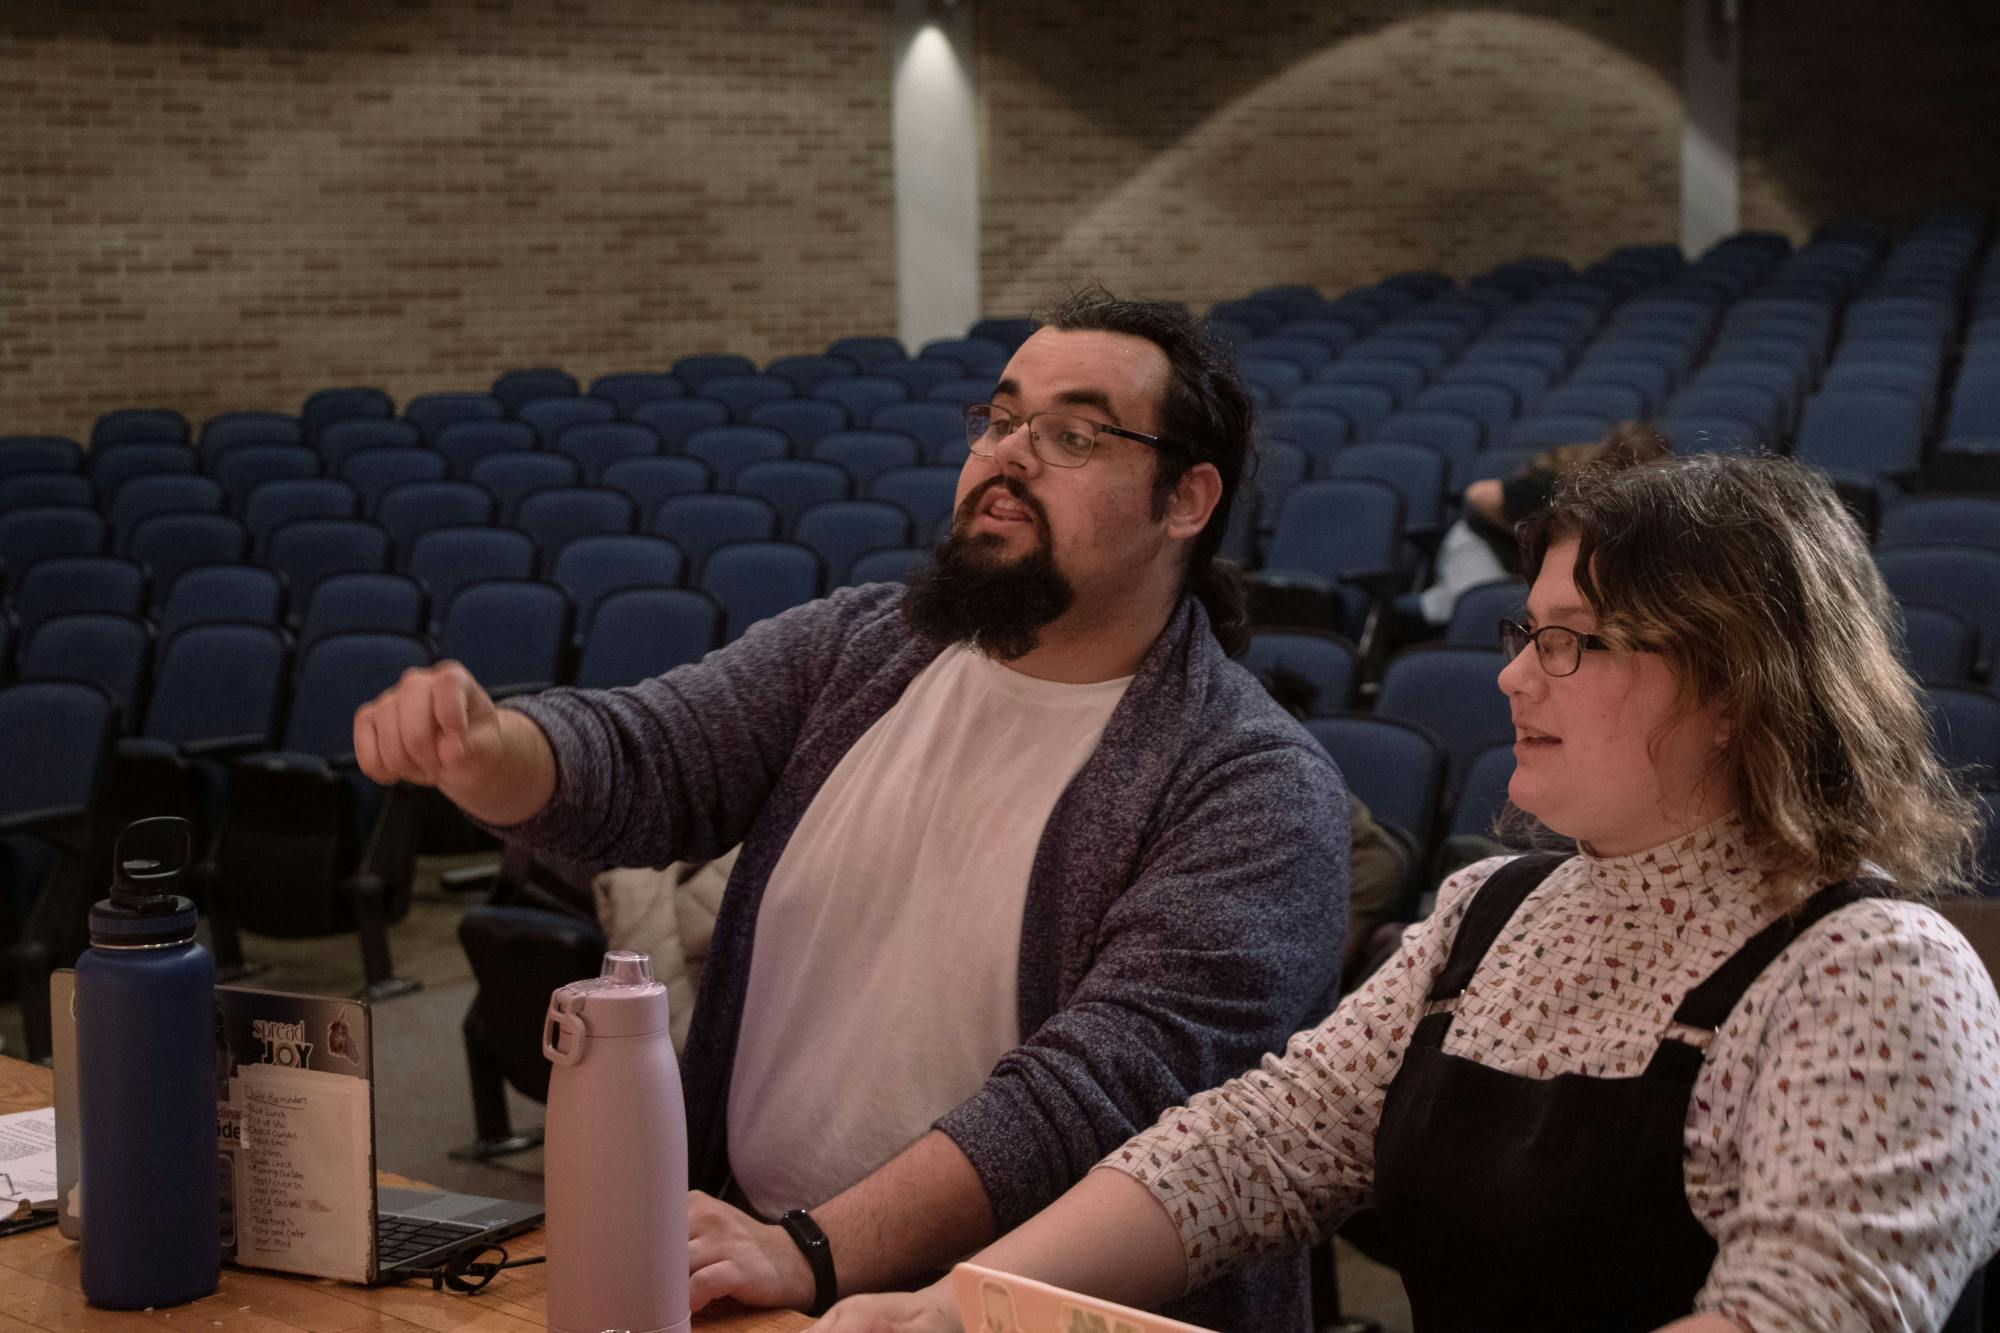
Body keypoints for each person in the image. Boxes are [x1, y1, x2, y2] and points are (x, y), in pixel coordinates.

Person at [814, 453, 2000, 1333]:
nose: (1510, 675)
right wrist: (958, 1308)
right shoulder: (1490, 909)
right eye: (1523, 631)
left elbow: (1795, 1315)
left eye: (1570, 642)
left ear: (1736, 684)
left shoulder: (1874, 969)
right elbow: (1249, 1150)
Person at [352, 289, 1351, 1330]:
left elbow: (1092, 1096)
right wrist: (490, 749)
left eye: (1070, 435)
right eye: (1000, 420)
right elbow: (650, 759)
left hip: (994, 1307)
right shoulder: (863, 646)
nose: (1007, 455)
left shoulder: (1253, 784)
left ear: (1184, 499)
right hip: (755, 1264)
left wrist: (814, 1251)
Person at [1415, 420, 1671, 625]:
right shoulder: (1558, 485)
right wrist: (1537, 536)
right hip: (1480, 541)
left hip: (1520, 559)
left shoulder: (1639, 506)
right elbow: (1478, 494)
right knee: (1482, 611)